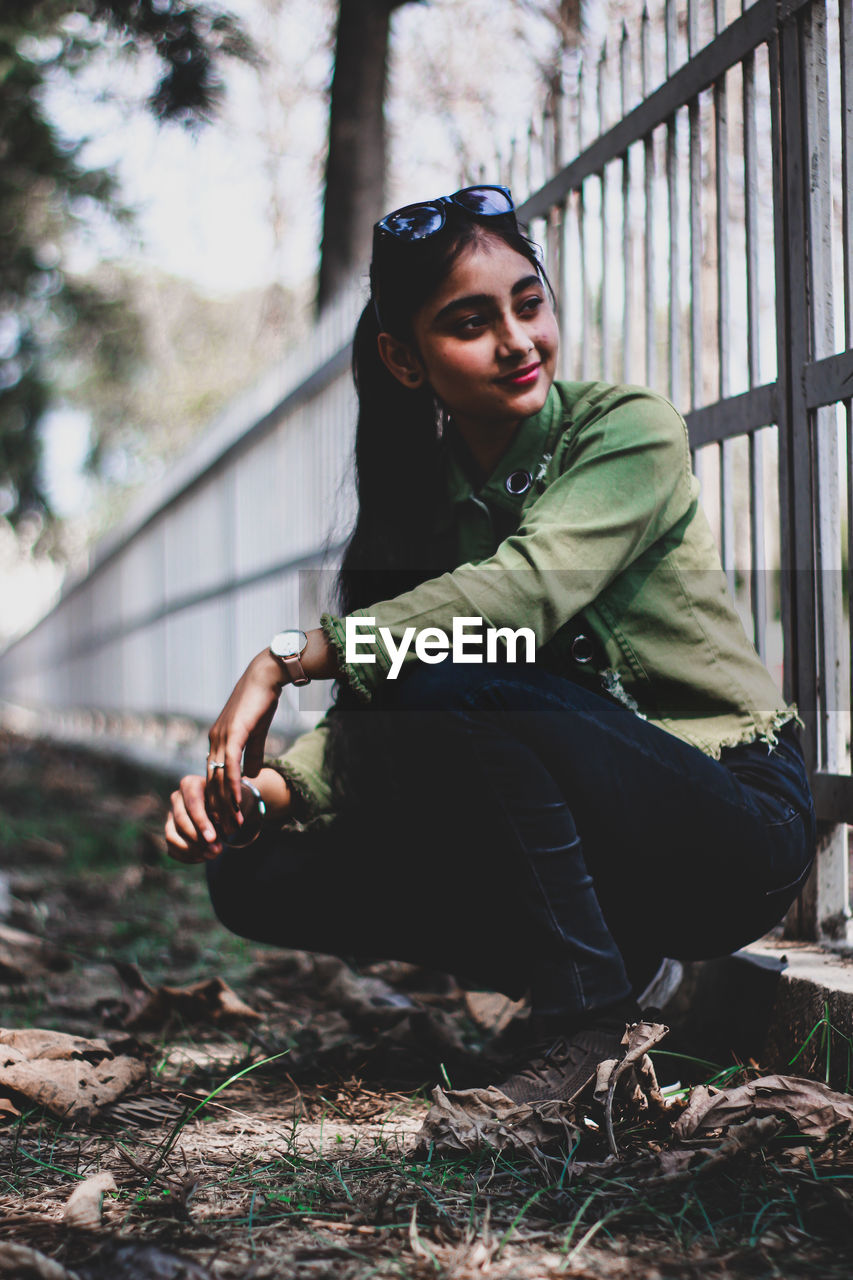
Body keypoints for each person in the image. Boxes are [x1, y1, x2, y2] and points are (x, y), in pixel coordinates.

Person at [164, 185, 816, 1105]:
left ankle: (590, 1026)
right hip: (598, 835)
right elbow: (370, 730)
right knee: (256, 874)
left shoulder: (625, 429)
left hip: (731, 820)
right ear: (403, 358)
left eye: (528, 303)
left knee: (454, 674)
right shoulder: (426, 507)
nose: (516, 340)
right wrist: (252, 797)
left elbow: (519, 595)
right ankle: (617, 965)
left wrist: (286, 655)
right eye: (470, 322)